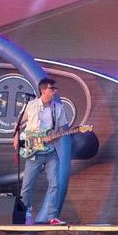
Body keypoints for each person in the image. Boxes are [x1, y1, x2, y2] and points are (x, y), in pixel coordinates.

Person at [13, 78, 72, 225]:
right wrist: (16, 137)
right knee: (27, 186)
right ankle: (24, 215)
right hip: (33, 151)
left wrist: (56, 135)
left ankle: (52, 216)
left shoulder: (58, 108)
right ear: (43, 90)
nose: (55, 91)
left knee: (55, 184)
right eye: (52, 89)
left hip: (51, 151)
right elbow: (19, 123)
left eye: (55, 89)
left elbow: (63, 129)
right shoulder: (31, 105)